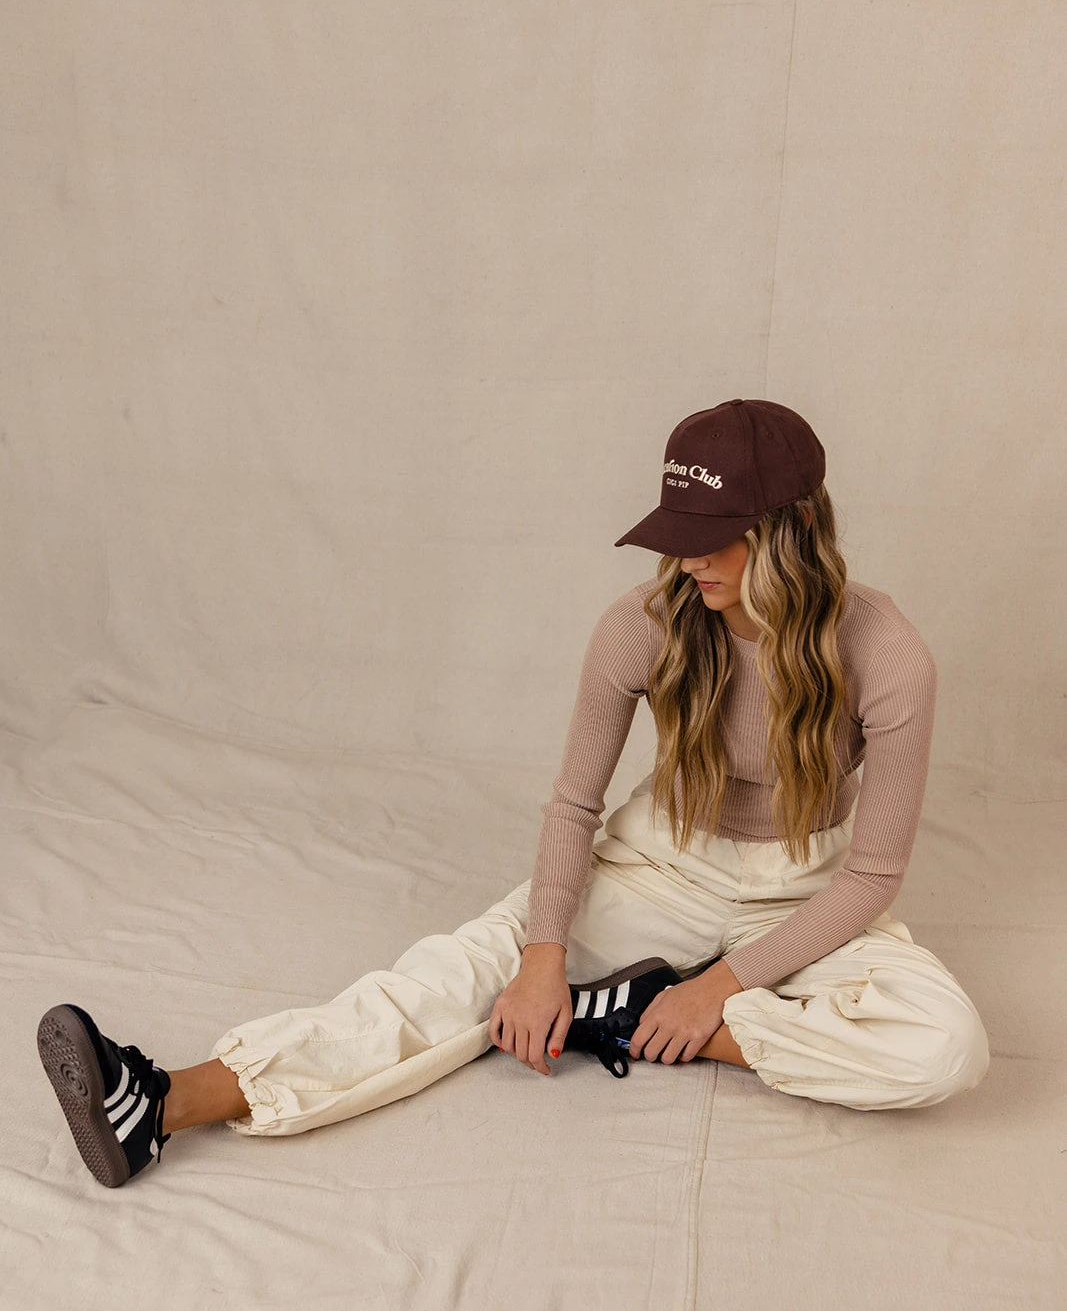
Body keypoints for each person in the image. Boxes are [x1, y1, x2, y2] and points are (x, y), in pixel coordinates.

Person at [36, 398, 990, 1188]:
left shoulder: (886, 654)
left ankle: (628, 1015)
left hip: (809, 887)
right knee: (459, 976)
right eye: (677, 537)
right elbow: (574, 805)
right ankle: (161, 1102)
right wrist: (541, 957)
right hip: (663, 864)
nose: (688, 560)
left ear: (788, 531)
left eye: (712, 539)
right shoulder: (643, 625)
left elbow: (870, 878)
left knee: (943, 1046)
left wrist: (713, 995)